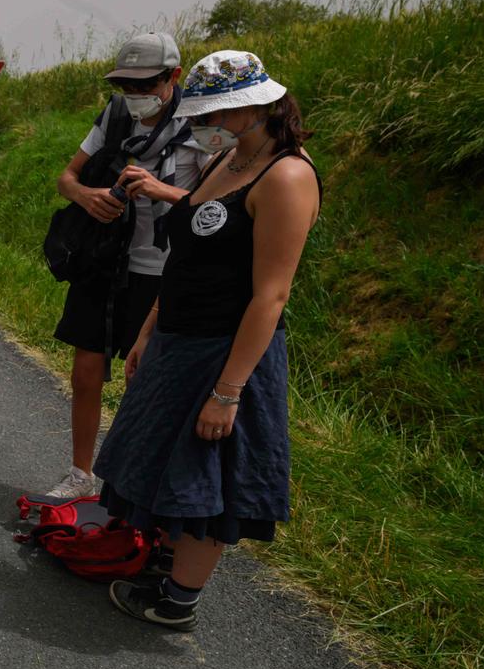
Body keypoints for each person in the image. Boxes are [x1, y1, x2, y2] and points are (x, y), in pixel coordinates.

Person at [96, 50, 321, 630]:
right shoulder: (225, 160)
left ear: (258, 106)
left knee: (205, 476)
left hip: (226, 351)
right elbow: (187, 257)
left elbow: (270, 296)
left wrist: (228, 392)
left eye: (218, 113)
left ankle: (177, 602)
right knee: (165, 460)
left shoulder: (288, 176)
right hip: (178, 337)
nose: (207, 123)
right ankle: (164, 566)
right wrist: (150, 328)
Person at [45, 32, 201, 500]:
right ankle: (80, 475)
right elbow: (66, 177)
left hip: (162, 271)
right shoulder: (113, 115)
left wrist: (162, 191)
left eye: (145, 85)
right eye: (126, 85)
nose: (134, 96)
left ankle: (131, 485)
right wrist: (87, 196)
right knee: (85, 370)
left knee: (144, 380)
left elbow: (219, 204)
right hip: (104, 261)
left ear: (173, 77)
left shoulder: (204, 126)